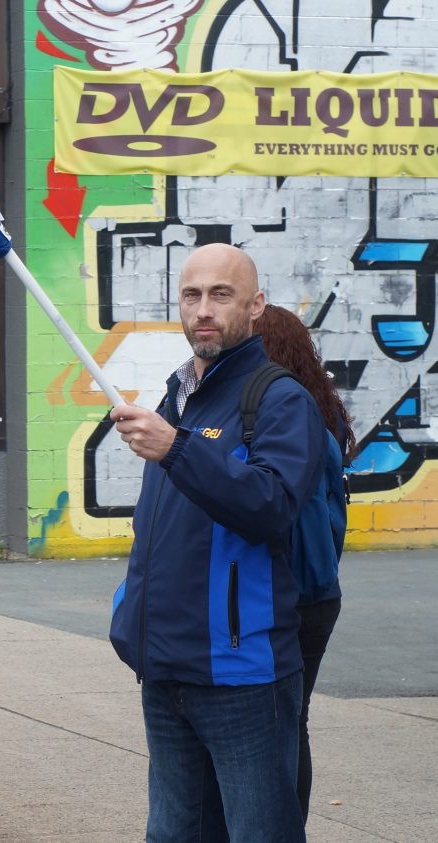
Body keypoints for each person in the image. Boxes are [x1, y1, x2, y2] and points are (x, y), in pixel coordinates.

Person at [108, 244, 325, 842]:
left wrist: (178, 448)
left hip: (242, 675)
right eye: (192, 295)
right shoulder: (177, 396)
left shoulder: (279, 400)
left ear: (255, 306)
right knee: (173, 833)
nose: (203, 310)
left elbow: (271, 506)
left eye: (221, 295)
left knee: (260, 832)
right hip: (165, 668)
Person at [254, 304, 353, 823]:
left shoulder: (276, 414)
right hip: (321, 589)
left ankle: (277, 826)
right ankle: (290, 824)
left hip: (286, 588)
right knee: (294, 719)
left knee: (274, 722)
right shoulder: (326, 409)